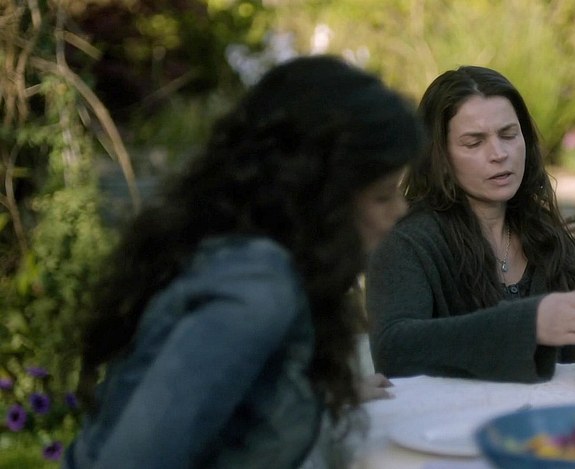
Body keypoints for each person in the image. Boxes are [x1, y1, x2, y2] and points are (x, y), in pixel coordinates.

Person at [63, 55, 425, 469]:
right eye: (382, 196)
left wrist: (316, 391)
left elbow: (231, 401)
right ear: (319, 198)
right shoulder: (254, 290)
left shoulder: (258, 261)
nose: (400, 210)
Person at [365, 65, 575, 383]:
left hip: (557, 410)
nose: (499, 153)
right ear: (439, 155)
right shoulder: (407, 240)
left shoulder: (541, 229)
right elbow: (393, 350)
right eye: (474, 142)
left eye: (508, 135)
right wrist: (530, 324)